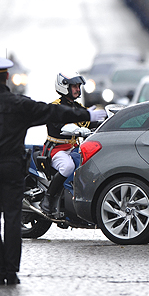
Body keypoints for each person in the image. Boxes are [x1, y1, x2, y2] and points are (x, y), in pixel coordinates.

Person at [0, 57, 107, 286]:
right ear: (7, 77)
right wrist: (87, 116)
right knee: (12, 219)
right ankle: (12, 272)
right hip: (12, 169)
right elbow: (53, 112)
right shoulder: (20, 104)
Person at [41, 72, 100, 216]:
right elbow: (59, 126)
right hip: (56, 149)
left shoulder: (78, 107)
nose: (78, 89)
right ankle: (48, 198)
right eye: (74, 86)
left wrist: (109, 122)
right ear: (64, 86)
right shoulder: (55, 106)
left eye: (78, 86)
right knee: (68, 167)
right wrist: (78, 130)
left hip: (73, 148)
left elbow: (91, 122)